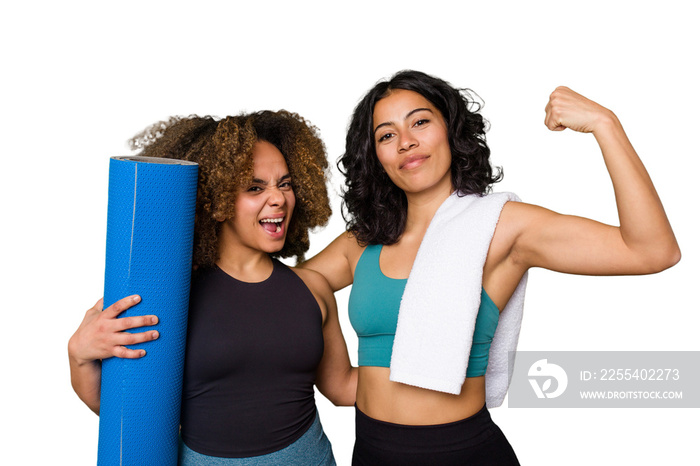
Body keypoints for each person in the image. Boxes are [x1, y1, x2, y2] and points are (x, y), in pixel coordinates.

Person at [302, 70, 680, 465]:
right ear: (375, 157)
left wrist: (607, 124)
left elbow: (652, 251)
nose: (406, 142)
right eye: (386, 134)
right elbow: (279, 290)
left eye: (420, 121)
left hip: (465, 452)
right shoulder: (360, 242)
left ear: (450, 130)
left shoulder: (501, 227)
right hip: (371, 452)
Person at [68, 111, 357, 465]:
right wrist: (79, 354)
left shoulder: (313, 289)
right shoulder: (171, 295)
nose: (279, 198)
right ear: (216, 201)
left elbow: (343, 387)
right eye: (255, 187)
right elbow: (127, 414)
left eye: (285, 183)